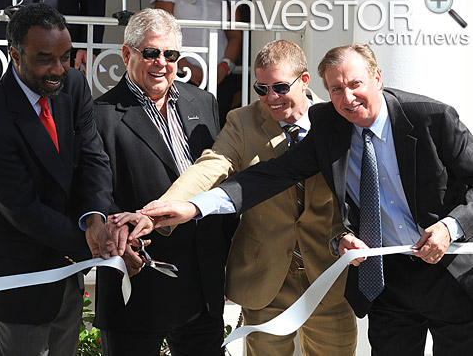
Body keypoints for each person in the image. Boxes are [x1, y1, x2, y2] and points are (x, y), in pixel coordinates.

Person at [142, 43, 473, 355]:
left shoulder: (433, 117)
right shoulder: (330, 126)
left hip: (448, 270)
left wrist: (450, 226)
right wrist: (193, 206)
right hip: (385, 279)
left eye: (355, 84)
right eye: (336, 90)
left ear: (377, 78)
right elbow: (270, 175)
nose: (348, 97)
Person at [137, 39, 357, 355]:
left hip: (329, 276)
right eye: (262, 88)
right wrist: (169, 205)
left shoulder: (336, 118)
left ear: (304, 81)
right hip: (265, 278)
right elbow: (213, 164)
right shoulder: (242, 121)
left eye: (280, 87)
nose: (271, 97)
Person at [0, 2, 137, 355]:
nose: (59, 69)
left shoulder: (73, 86)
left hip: (67, 279)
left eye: (65, 56)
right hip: (17, 284)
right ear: (15, 54)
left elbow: (93, 160)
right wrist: (100, 246)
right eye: (45, 58)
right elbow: (23, 209)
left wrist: (94, 217)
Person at [92, 8, 228, 355]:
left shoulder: (204, 101)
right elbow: (95, 188)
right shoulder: (100, 115)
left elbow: (222, 174)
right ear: (127, 54)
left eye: (170, 55)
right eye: (151, 53)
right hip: (139, 278)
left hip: (201, 284)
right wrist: (119, 243)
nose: (162, 63)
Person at [0, 0, 107, 82]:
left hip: (63, 34)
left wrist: (90, 43)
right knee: (0, 115)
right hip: (3, 33)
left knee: (59, 115)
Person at [152, 0, 242, 127]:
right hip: (180, 75)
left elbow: (235, 35)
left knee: (217, 130)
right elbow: (161, 33)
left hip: (220, 78)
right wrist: (185, 65)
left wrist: (224, 67)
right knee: (182, 128)